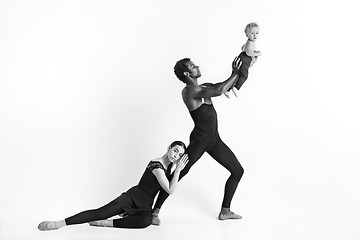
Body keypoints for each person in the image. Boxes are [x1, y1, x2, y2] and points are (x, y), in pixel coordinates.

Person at [151, 56, 244, 225]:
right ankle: (155, 211)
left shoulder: (204, 87)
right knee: (180, 173)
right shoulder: (189, 91)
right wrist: (235, 73)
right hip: (199, 141)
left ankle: (225, 210)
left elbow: (222, 86)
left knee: (237, 171)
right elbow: (219, 90)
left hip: (214, 140)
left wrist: (242, 69)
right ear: (187, 73)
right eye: (193, 66)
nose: (197, 67)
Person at [38, 141, 188, 231]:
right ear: (169, 147)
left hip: (145, 205)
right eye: (175, 150)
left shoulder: (169, 167)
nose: (176, 156)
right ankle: (58, 223)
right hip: (132, 197)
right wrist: (179, 170)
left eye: (180, 155)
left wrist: (176, 169)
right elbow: (170, 189)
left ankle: (106, 224)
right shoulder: (157, 166)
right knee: (100, 212)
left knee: (145, 221)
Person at [225, 22, 262, 98]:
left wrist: (252, 52)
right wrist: (257, 53)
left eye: (257, 33)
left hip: (242, 57)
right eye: (252, 33)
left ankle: (227, 89)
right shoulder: (251, 43)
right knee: (244, 76)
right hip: (245, 58)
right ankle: (236, 88)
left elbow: (242, 48)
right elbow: (248, 52)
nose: (255, 35)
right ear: (247, 35)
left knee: (236, 75)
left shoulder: (250, 42)